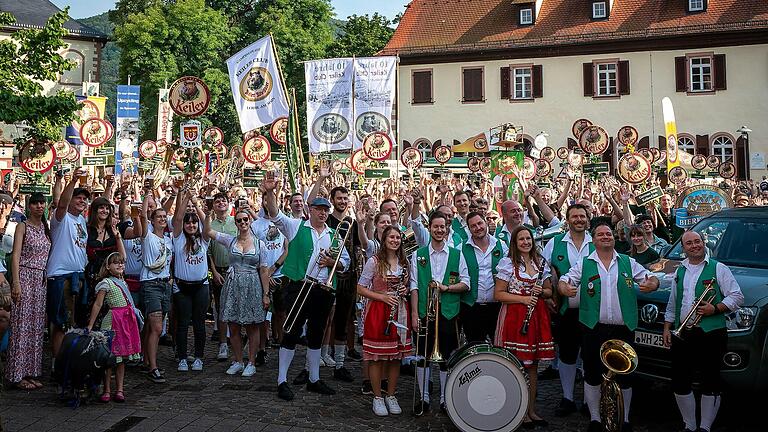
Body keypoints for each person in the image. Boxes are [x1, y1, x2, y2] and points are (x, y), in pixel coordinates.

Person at [559, 223, 659, 432]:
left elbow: (650, 279)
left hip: (623, 329)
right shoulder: (584, 263)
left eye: (609, 234)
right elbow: (565, 279)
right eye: (600, 234)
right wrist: (564, 287)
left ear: (614, 238)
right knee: (592, 374)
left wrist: (653, 284)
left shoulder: (627, 262)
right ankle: (595, 418)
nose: (606, 237)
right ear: (593, 240)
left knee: (626, 376)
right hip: (594, 328)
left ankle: (624, 419)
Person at [262, 177, 350, 401]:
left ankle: (314, 378)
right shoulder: (296, 225)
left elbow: (345, 262)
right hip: (300, 286)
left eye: (325, 210)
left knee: (316, 334)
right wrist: (271, 192)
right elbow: (275, 214)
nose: (322, 213)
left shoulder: (334, 234)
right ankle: (281, 380)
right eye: (318, 209)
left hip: (323, 289)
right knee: (290, 332)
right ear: (309, 210)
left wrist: (333, 263)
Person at [663, 231, 744, 432]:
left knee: (711, 380)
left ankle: (705, 427)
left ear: (703, 243)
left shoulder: (718, 268)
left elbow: (737, 297)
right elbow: (674, 301)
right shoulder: (679, 271)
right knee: (680, 380)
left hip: (711, 332)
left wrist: (715, 309)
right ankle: (689, 425)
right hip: (683, 333)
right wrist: (667, 326)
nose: (694, 246)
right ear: (684, 248)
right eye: (689, 243)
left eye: (697, 241)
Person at [494, 225, 555, 428]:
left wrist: (543, 292)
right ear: (515, 242)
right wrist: (524, 299)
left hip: (537, 317)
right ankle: (517, 410)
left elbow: (548, 290)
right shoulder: (507, 264)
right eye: (521, 239)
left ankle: (531, 409)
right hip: (515, 317)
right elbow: (499, 294)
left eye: (528, 238)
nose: (526, 242)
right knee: (516, 365)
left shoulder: (540, 263)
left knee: (534, 365)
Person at [410, 212, 469, 413]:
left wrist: (446, 288)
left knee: (446, 357)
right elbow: (414, 287)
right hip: (425, 312)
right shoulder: (418, 255)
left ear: (447, 228)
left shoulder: (456, 254)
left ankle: (445, 398)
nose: (439, 230)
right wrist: (414, 315)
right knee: (422, 355)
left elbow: (466, 283)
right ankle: (424, 397)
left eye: (442, 227)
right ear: (429, 228)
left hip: (448, 312)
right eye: (435, 226)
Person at [541, 203, 594, 417]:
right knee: (567, 354)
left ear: (588, 219)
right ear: (567, 219)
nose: (579, 220)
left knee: (590, 356)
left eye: (582, 216)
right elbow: (544, 271)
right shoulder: (554, 243)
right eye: (575, 216)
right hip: (566, 310)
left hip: (593, 310)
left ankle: (590, 400)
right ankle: (568, 397)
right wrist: (547, 297)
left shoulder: (597, 241)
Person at [204, 205, 269, 377]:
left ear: (250, 221)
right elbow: (209, 231)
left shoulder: (259, 243)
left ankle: (251, 362)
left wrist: (265, 293)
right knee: (233, 325)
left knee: (252, 326)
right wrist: (207, 214)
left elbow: (263, 269)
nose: (242, 222)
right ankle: (238, 360)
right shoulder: (229, 240)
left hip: (252, 285)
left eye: (245, 219)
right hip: (232, 285)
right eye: (239, 220)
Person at [357, 225, 414, 416]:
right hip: (378, 311)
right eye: (391, 237)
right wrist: (381, 297)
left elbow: (407, 287)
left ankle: (391, 394)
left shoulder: (404, 262)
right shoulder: (374, 261)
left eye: (398, 238)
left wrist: (404, 291)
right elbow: (360, 288)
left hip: (399, 312)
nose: (395, 240)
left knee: (395, 357)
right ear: (384, 239)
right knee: (377, 357)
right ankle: (377, 397)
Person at [6, 193, 51, 389]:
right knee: (21, 326)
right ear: (28, 206)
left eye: (42, 203)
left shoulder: (45, 228)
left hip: (40, 280)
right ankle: (17, 374)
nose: (39, 206)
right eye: (35, 203)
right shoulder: (22, 227)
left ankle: (31, 371)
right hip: (24, 276)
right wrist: (15, 282)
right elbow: (15, 255)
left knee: (35, 327)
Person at [85, 252, 141, 403]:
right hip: (112, 322)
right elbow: (98, 304)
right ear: (108, 267)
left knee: (121, 358)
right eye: (116, 263)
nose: (120, 265)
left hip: (125, 323)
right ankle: (107, 389)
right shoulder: (106, 283)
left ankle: (120, 389)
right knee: (108, 358)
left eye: (122, 262)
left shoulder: (124, 282)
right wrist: (90, 324)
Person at [47, 169, 90, 360]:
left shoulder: (81, 219)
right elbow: (61, 203)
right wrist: (71, 181)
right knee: (60, 323)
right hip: (61, 276)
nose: (82, 201)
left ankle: (70, 365)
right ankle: (59, 365)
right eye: (78, 198)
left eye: (84, 199)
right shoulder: (60, 218)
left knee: (74, 323)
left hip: (78, 277)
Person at [172, 193, 209, 372]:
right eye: (188, 222)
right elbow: (178, 218)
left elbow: (206, 222)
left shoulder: (204, 239)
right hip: (181, 287)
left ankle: (199, 356)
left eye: (194, 222)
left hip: (201, 286)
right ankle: (182, 357)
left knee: (199, 323)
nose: (191, 225)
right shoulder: (177, 239)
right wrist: (186, 197)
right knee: (183, 323)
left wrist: (196, 204)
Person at [460, 211, 507, 343]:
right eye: (473, 226)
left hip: (497, 307)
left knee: (499, 346)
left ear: (486, 222)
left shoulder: (501, 245)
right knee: (475, 347)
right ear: (469, 229)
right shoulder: (461, 248)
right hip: (471, 307)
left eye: (480, 223)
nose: (478, 227)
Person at [140, 198, 173, 383]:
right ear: (152, 221)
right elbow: (143, 216)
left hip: (164, 284)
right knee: (157, 328)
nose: (162, 219)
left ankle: (147, 361)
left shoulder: (168, 240)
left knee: (151, 328)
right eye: (158, 217)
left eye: (164, 216)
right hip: (150, 283)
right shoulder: (148, 236)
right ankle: (153, 367)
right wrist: (146, 195)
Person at [207, 192, 236, 362]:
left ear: (228, 203)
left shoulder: (237, 221)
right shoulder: (211, 225)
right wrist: (214, 272)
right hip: (218, 270)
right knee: (222, 307)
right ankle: (223, 343)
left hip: (235, 270)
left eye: (223, 200)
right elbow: (208, 252)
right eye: (217, 201)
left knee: (237, 306)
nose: (220, 203)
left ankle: (236, 339)